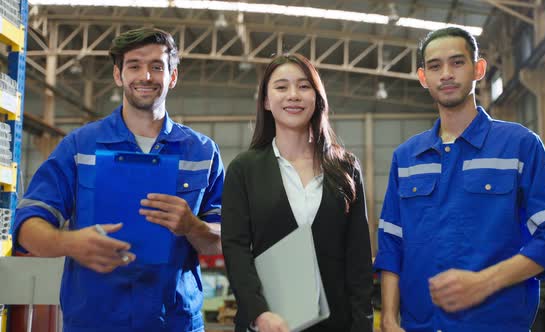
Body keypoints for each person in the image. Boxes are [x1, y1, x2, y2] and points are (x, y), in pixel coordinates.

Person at [14, 28, 224, 332]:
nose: (146, 76)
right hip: (94, 321)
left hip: (174, 322)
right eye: (134, 65)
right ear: (118, 75)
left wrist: (194, 226)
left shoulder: (202, 152)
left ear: (172, 76)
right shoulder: (80, 147)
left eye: (156, 66)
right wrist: (69, 243)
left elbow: (222, 240)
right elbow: (26, 225)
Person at [374, 26, 545, 332]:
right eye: (435, 66)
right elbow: (391, 243)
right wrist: (389, 318)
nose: (446, 75)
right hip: (420, 326)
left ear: (478, 69)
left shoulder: (519, 144)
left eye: (457, 62)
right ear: (423, 77)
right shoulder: (407, 158)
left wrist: (484, 282)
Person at [221, 53, 373, 332]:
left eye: (304, 86)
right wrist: (259, 312)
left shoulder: (345, 168)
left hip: (335, 324)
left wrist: (363, 324)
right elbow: (236, 250)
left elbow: (359, 258)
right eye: (281, 87)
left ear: (317, 98)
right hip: (268, 325)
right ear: (266, 101)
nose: (293, 95)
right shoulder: (244, 169)